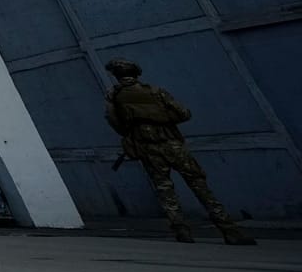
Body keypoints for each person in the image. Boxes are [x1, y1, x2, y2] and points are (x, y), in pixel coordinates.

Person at [103, 58, 255, 246]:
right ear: (136, 73)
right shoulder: (155, 92)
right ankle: (229, 230)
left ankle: (181, 230)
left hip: (148, 148)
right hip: (173, 144)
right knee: (199, 185)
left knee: (165, 189)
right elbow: (184, 113)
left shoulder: (114, 97)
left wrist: (135, 129)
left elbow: (114, 122)